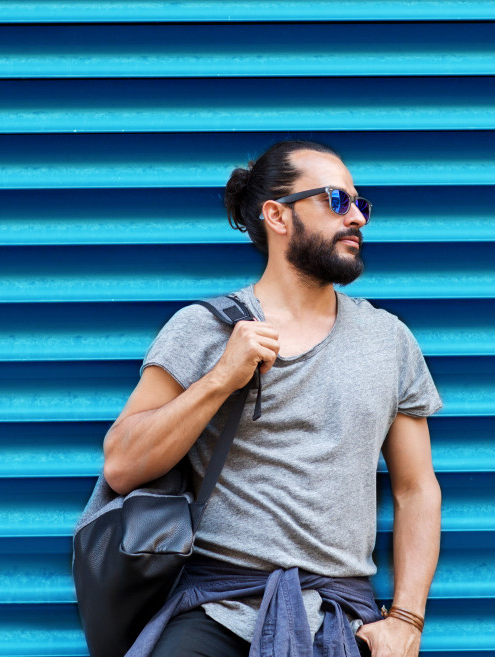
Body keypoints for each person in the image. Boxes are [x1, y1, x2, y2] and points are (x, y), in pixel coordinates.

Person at [102, 140, 442, 657]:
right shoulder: (205, 328)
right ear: (277, 215)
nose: (357, 218)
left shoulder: (389, 339)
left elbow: (416, 490)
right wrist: (219, 379)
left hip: (338, 618)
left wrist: (406, 620)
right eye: (335, 200)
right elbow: (122, 466)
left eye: (359, 204)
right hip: (217, 607)